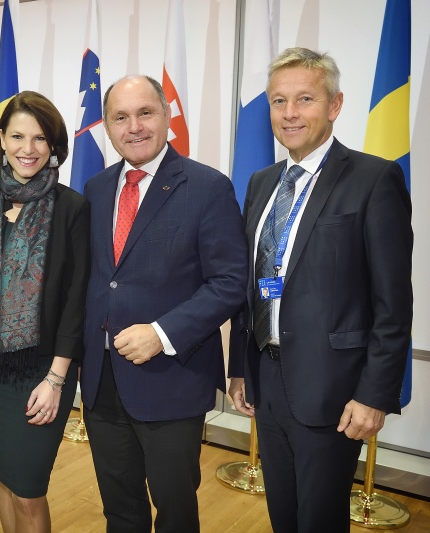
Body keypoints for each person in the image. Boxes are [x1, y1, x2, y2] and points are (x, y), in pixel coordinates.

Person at [228, 47, 412, 533]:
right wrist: (240, 367)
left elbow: (393, 303)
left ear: (334, 105)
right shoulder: (261, 183)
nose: (289, 113)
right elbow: (252, 285)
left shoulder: (374, 179)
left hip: (333, 392)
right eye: (278, 101)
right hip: (266, 384)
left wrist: (374, 394)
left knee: (320, 522)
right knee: (283, 517)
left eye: (304, 99)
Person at [80, 75, 247, 533]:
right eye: (120, 117)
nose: (133, 126)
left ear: (167, 116)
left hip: (171, 380)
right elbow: (97, 280)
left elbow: (231, 282)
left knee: (175, 512)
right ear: (108, 127)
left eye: (145, 113)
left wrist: (162, 332)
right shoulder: (95, 189)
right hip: (100, 382)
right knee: (119, 509)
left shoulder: (206, 186)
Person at [0, 90, 90, 533]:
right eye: (17, 136)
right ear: (2, 139)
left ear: (54, 146)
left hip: (41, 371)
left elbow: (76, 300)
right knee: (2, 474)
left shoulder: (73, 208)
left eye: (40, 139)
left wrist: (57, 380)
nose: (28, 149)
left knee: (28, 489)